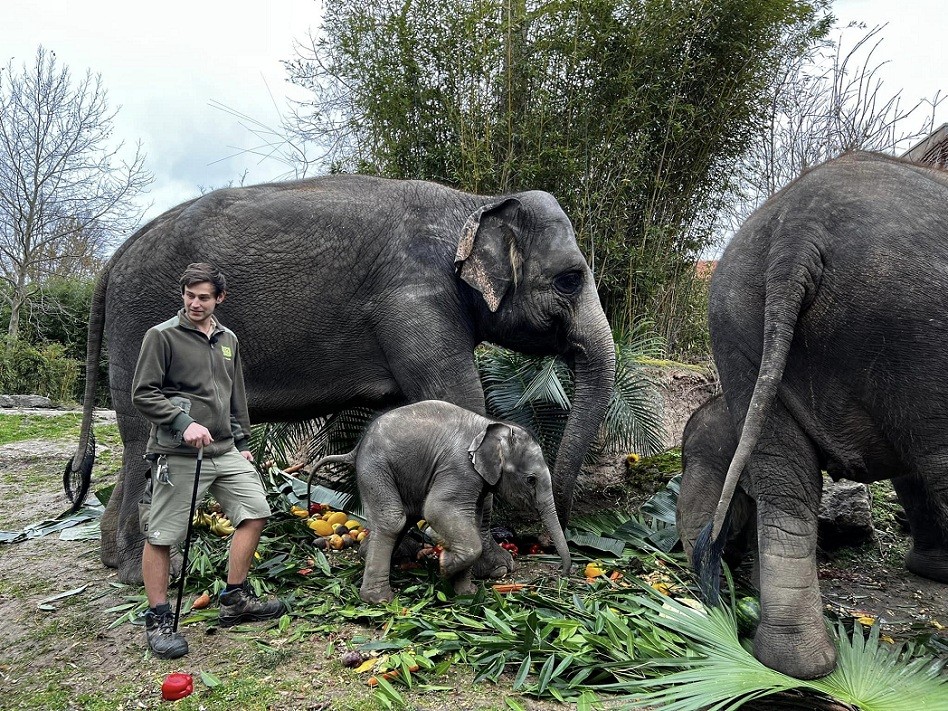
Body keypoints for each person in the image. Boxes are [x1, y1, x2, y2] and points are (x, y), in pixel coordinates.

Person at [132, 262, 285, 659]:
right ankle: (159, 617)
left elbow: (234, 394)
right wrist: (183, 423)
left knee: (255, 513)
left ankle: (235, 599)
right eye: (189, 295)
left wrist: (240, 440)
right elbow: (143, 393)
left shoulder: (227, 338)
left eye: (203, 297)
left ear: (220, 299)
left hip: (224, 450)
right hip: (179, 453)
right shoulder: (161, 336)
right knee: (163, 535)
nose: (195, 303)